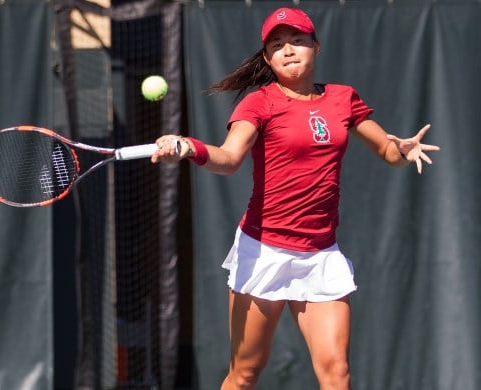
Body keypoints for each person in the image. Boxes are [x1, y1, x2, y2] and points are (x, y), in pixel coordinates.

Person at [152, 7, 440, 390]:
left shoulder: (343, 98)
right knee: (244, 375)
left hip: (320, 253)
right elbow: (229, 159)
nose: (288, 50)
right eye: (277, 45)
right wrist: (190, 147)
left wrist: (401, 151)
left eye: (297, 41)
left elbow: (386, 151)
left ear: (315, 47)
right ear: (268, 58)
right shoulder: (259, 103)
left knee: (337, 373)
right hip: (264, 252)